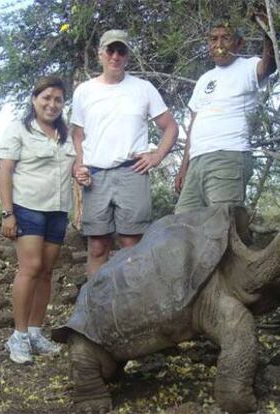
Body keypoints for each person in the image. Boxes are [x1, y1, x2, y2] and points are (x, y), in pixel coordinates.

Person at [72, 29, 178, 276]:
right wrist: (80, 166)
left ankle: (134, 308)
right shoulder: (84, 91)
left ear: (127, 56)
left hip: (132, 172)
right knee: (98, 247)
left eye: (121, 51)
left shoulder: (143, 88)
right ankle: (96, 307)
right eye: (110, 50)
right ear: (100, 54)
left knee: (132, 245)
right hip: (95, 176)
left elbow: (170, 127)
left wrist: (156, 156)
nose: (115, 56)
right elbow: (77, 134)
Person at [0, 76, 76, 364]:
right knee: (29, 268)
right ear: (34, 99)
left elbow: (76, 168)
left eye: (58, 99)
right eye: (46, 98)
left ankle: (34, 332)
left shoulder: (66, 135)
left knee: (46, 271)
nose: (51, 104)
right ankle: (17, 337)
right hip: (27, 207)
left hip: (58, 210)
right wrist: (8, 213)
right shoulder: (19, 129)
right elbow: (5, 171)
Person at [175, 16, 276, 215]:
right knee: (184, 225)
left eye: (225, 38)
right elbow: (193, 125)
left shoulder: (248, 66)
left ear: (239, 43)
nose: (218, 44)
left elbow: (269, 66)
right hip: (197, 161)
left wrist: (268, 31)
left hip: (228, 155)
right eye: (213, 39)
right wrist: (183, 167)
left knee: (222, 226)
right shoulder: (204, 79)